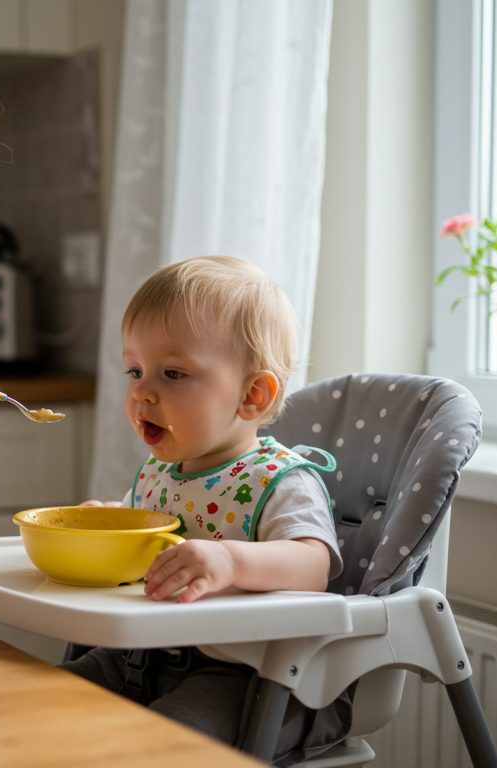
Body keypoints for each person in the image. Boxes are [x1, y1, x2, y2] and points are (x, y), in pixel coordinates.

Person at [62, 256, 345, 764]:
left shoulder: (276, 478)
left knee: (163, 749)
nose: (142, 391)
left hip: (233, 673)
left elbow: (314, 563)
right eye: (135, 370)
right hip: (134, 655)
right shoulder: (159, 474)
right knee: (33, 701)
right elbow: (140, 543)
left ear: (252, 395)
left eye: (173, 373)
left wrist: (231, 562)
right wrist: (104, 522)